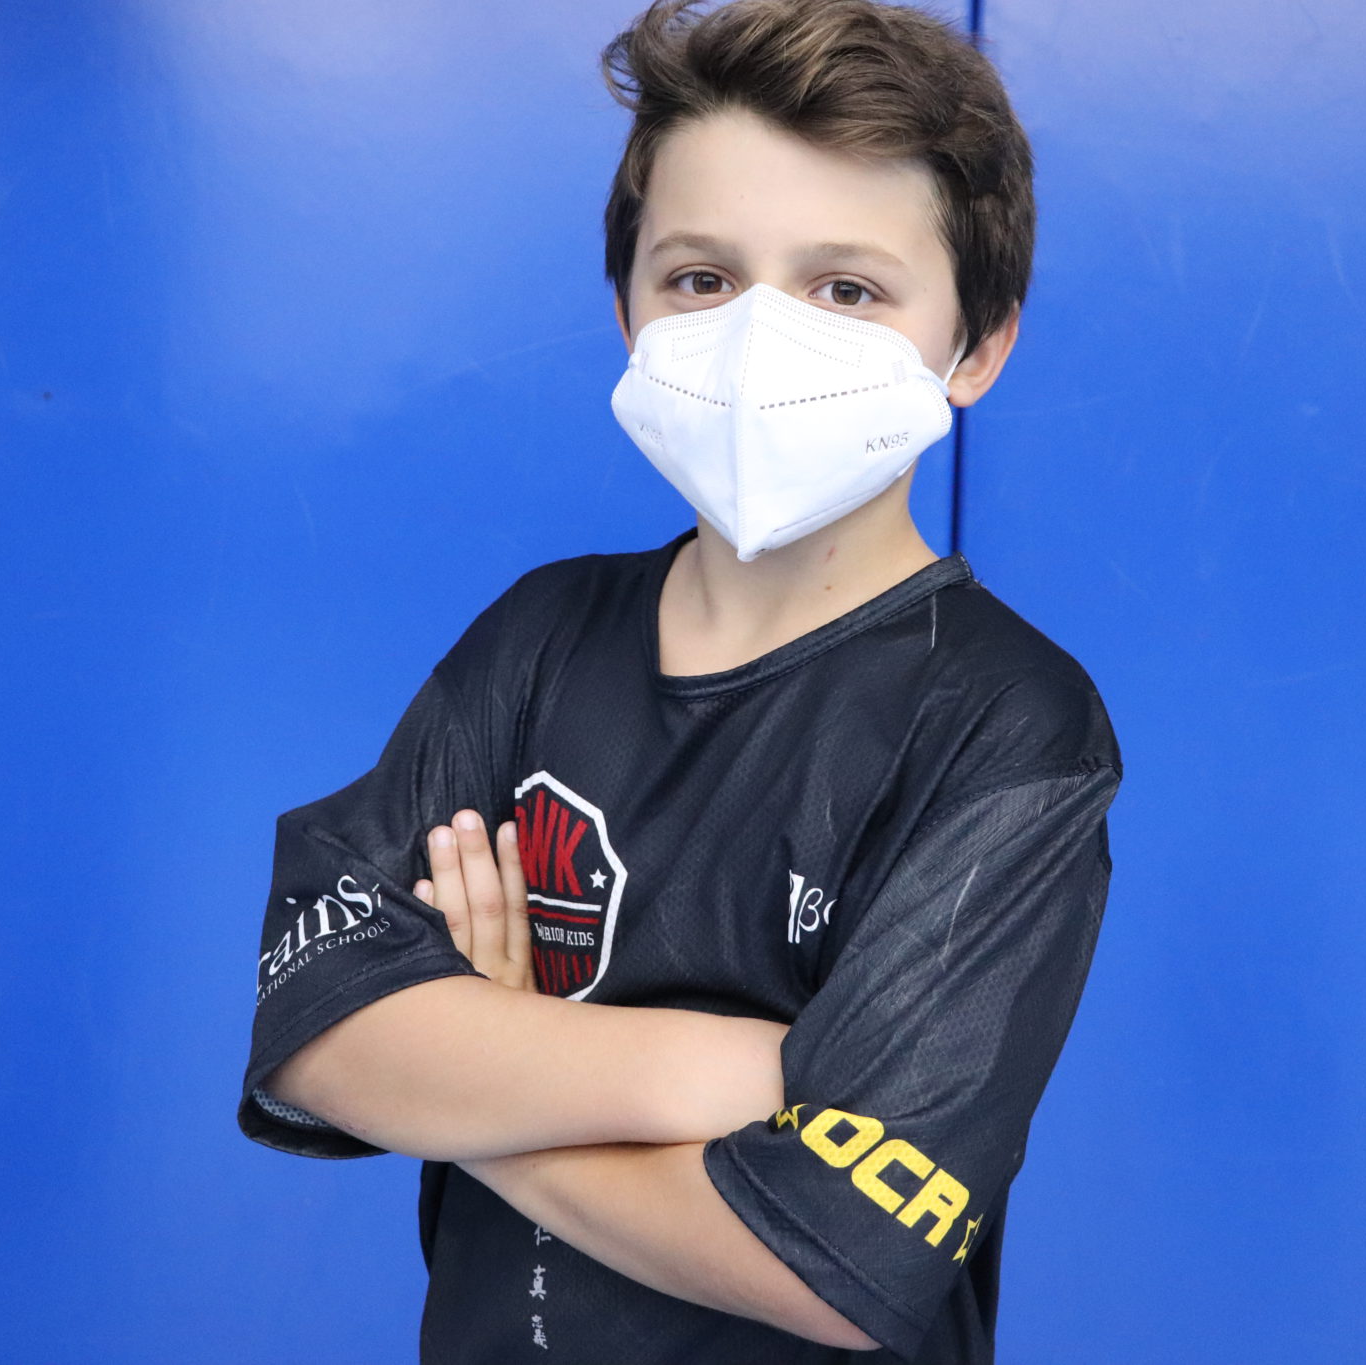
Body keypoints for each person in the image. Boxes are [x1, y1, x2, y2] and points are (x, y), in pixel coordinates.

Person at [237, 1, 1121, 1360]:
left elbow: (838, 1258)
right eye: (702, 279)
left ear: (979, 345)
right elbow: (317, 1029)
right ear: (628, 312)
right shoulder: (540, 637)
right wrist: (726, 1070)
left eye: (847, 290)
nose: (761, 338)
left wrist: (486, 1077)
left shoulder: (1006, 726)